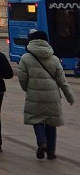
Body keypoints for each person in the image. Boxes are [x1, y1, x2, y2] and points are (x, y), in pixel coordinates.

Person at [18, 30, 75, 160]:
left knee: (36, 119)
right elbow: (62, 81)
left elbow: (22, 77)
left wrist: (27, 88)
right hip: (52, 95)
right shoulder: (54, 58)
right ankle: (51, 152)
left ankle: (42, 142)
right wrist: (70, 97)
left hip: (34, 94)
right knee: (51, 122)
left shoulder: (25, 58)